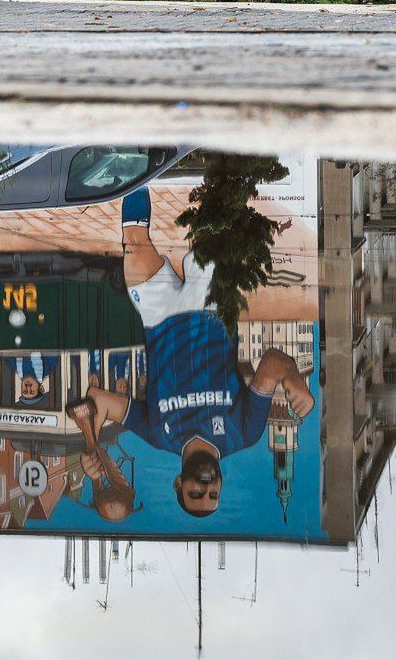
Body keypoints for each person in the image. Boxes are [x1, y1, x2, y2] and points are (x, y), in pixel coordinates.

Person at [66, 192, 316, 521]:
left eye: (196, 494)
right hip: (210, 306)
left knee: (133, 239)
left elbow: (99, 399)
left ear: (178, 483)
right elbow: (271, 362)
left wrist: (92, 446)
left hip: (158, 317)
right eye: (213, 494)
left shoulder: (159, 434)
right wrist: (294, 377)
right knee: (208, 219)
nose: (205, 487)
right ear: (221, 483)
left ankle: (136, 158)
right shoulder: (244, 434)